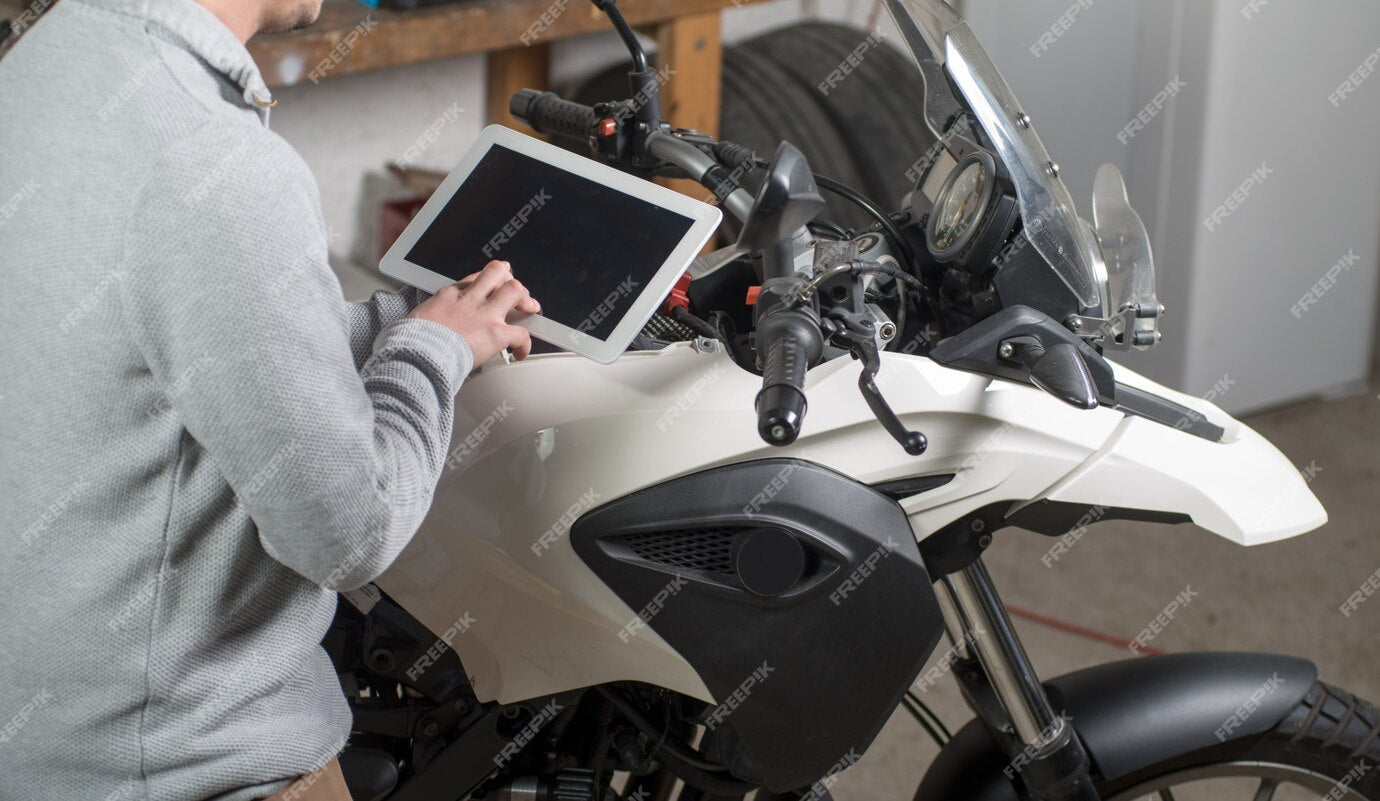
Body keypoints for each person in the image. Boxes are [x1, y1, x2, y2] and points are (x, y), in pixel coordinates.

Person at [0, 0, 538, 798]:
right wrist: (433, 353)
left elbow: (160, 330)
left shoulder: (42, 62)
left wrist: (412, 324)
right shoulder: (212, 155)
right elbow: (349, 532)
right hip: (181, 770)